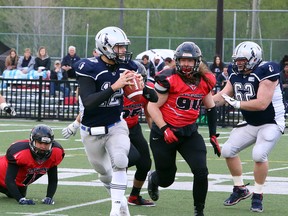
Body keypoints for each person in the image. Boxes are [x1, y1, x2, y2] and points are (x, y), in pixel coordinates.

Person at [62, 60, 158, 208]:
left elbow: (150, 111)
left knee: (145, 163)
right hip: (115, 128)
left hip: (133, 128)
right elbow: (91, 110)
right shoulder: (118, 91)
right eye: (131, 78)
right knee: (126, 159)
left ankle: (134, 195)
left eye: (139, 78)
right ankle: (118, 196)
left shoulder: (142, 90)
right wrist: (75, 124)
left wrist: (156, 133)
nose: (135, 82)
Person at [73, 26, 144, 216]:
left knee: (121, 161)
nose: (123, 51)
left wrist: (144, 90)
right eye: (119, 47)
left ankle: (114, 210)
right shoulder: (88, 67)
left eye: (124, 47)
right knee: (103, 172)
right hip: (90, 130)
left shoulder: (128, 66)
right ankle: (121, 204)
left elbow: (149, 96)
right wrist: (115, 87)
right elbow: (88, 102)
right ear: (105, 47)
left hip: (115, 125)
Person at [147, 41, 221, 216]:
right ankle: (154, 178)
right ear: (176, 61)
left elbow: (210, 107)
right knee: (167, 179)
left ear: (197, 61)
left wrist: (213, 134)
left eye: (190, 60)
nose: (186, 64)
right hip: (164, 134)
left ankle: (199, 211)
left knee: (201, 171)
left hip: (189, 133)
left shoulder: (205, 79)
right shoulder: (168, 78)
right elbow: (152, 107)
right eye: (182, 60)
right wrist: (165, 128)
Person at [213, 41, 285, 213]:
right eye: (237, 60)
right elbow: (222, 96)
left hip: (271, 121)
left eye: (242, 60)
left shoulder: (267, 71)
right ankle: (240, 189)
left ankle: (258, 194)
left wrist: (237, 103)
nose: (238, 63)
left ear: (254, 59)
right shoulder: (234, 72)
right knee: (228, 150)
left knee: (259, 154)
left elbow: (262, 103)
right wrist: (200, 101)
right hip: (251, 122)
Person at [0, 124, 65, 205]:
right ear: (32, 141)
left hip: (18, 184)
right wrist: (21, 200)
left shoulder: (56, 153)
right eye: (40, 143)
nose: (43, 147)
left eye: (46, 144)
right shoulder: (20, 152)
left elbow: (53, 180)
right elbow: (9, 179)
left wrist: (49, 197)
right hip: (2, 176)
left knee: (18, 193)